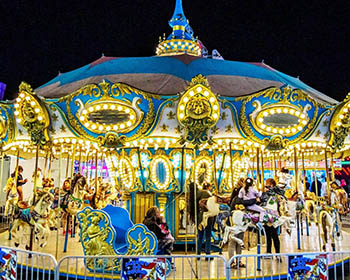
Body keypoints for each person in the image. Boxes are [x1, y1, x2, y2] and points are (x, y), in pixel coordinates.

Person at [188, 182, 214, 258]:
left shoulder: (194, 195)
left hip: (199, 216)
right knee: (208, 235)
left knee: (200, 235)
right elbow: (212, 203)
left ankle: (198, 253)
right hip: (208, 216)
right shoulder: (206, 193)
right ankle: (207, 253)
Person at [263, 178, 281, 261]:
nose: (267, 187)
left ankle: (277, 253)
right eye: (266, 186)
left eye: (268, 186)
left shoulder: (275, 195)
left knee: (274, 235)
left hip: (273, 216)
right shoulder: (267, 194)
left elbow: (272, 205)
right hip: (267, 215)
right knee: (268, 235)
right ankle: (269, 252)